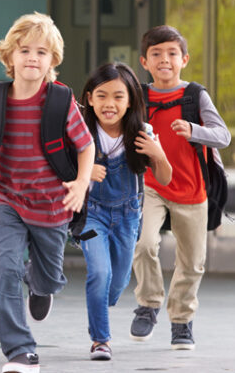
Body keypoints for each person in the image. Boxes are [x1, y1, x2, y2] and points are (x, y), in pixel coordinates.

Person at [0, 12, 95, 373]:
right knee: (3, 269)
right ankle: (20, 350)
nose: (33, 57)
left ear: (53, 61)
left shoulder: (61, 102)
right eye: (25, 50)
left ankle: (41, 284)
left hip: (52, 204)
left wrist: (80, 184)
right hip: (7, 200)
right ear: (9, 57)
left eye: (42, 52)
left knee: (49, 276)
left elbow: (85, 145)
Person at [130, 25, 231, 350]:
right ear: (144, 61)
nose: (164, 60)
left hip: (191, 189)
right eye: (156, 54)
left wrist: (194, 129)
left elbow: (223, 136)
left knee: (192, 262)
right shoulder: (139, 95)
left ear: (184, 59)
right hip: (150, 185)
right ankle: (148, 303)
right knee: (144, 244)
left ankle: (182, 320)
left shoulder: (195, 95)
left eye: (172, 53)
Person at [77, 63, 171, 361]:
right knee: (99, 273)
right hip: (92, 214)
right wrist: (84, 171)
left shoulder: (142, 133)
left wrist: (158, 154)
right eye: (102, 95)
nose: (109, 104)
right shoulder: (80, 131)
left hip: (128, 217)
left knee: (116, 284)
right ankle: (100, 340)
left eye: (118, 96)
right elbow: (60, 170)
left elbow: (166, 177)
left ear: (130, 100)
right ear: (90, 98)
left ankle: (101, 305)